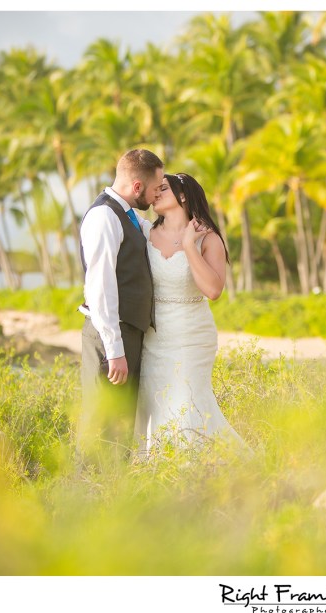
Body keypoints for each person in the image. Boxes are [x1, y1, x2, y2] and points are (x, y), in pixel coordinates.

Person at [133, 172, 247, 456]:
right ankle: (161, 469)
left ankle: (197, 469)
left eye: (163, 189)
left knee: (186, 402)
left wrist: (188, 246)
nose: (155, 194)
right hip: (154, 336)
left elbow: (213, 290)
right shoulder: (144, 232)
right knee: (157, 404)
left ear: (183, 196)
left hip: (191, 336)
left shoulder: (207, 238)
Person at [78, 148, 164, 454]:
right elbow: (100, 288)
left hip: (126, 333)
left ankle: (113, 494)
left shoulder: (128, 215)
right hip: (110, 336)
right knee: (100, 421)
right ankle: (85, 494)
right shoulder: (104, 216)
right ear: (137, 187)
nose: (156, 196)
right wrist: (114, 351)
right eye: (156, 188)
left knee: (120, 425)